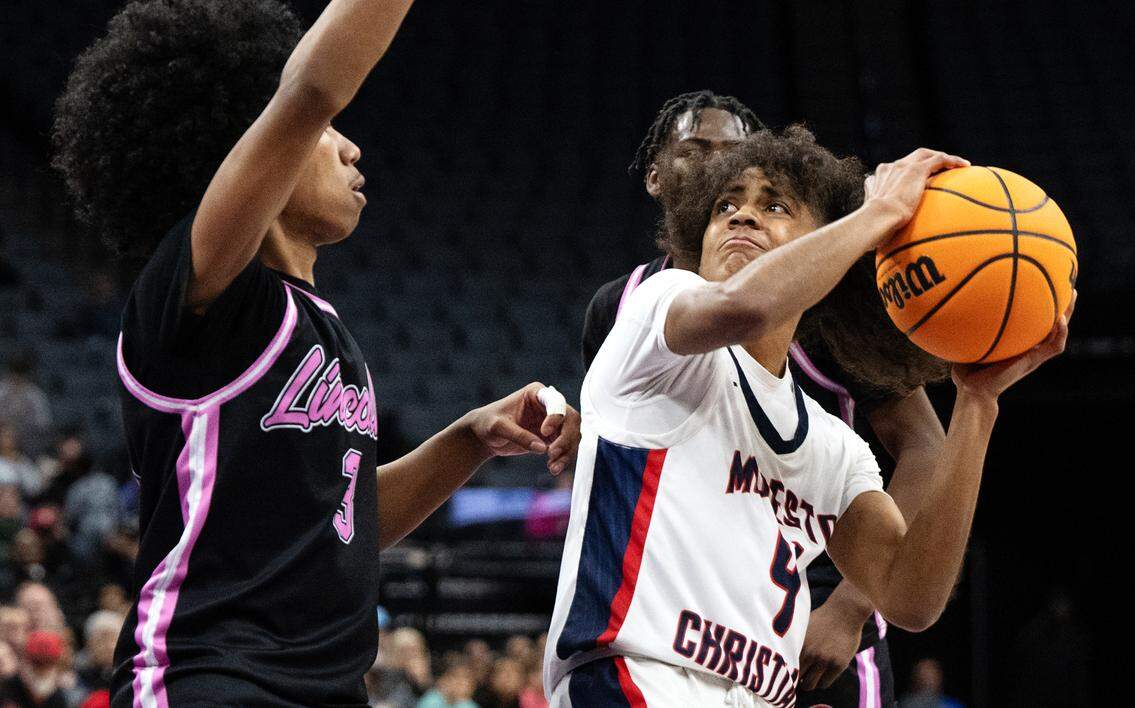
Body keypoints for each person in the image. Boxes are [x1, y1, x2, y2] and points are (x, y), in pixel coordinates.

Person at [51, 0, 579, 704]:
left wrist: (468, 441)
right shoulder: (203, 298)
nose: (350, 147)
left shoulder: (320, 326)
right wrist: (305, 108)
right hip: (208, 682)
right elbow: (311, 87)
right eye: (327, 131)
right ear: (256, 150)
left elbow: (342, 526)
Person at [544, 129, 1073, 706]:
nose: (742, 215)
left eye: (775, 205)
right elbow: (742, 305)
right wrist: (883, 211)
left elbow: (911, 599)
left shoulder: (832, 448)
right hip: (632, 680)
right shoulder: (658, 314)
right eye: (727, 205)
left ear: (829, 248)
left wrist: (978, 405)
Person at [581, 91, 948, 704]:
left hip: (816, 603)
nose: (716, 167)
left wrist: (849, 609)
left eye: (742, 161)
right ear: (654, 174)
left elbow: (925, 455)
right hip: (665, 637)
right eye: (697, 154)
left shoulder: (823, 315)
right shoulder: (636, 302)